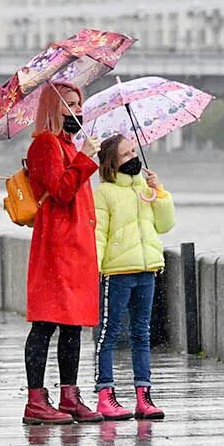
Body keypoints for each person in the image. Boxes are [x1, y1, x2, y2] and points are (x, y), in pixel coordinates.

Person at [21, 81, 105, 425]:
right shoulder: (45, 144)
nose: (76, 110)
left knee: (73, 326)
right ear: (52, 109)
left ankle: (70, 396)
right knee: (46, 324)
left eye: (78, 104)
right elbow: (61, 191)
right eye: (68, 104)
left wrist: (82, 154)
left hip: (78, 247)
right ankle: (36, 401)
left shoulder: (69, 145)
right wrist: (86, 158)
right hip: (56, 248)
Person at [92, 134, 175, 420]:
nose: (133, 158)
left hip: (147, 269)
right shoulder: (104, 193)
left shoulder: (144, 188)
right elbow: (98, 233)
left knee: (142, 333)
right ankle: (105, 394)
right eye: (125, 155)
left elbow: (165, 225)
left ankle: (144, 396)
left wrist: (160, 192)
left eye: (133, 152)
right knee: (109, 333)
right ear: (112, 164)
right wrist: (95, 267)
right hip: (117, 273)